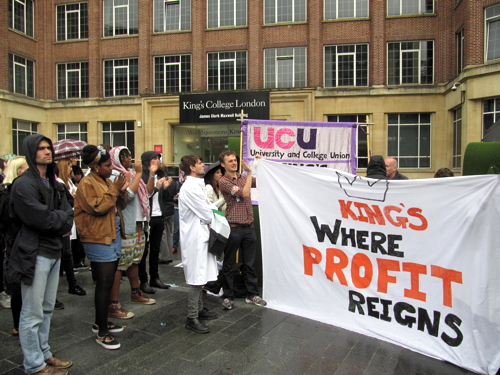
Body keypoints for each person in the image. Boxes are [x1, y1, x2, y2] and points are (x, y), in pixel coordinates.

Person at [8, 134, 74, 375]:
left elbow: (67, 212)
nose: (48, 152)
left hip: (54, 251)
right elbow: (41, 218)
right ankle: (34, 365)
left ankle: (44, 353)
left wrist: (58, 218)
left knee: (46, 308)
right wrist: (59, 219)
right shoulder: (24, 184)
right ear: (31, 152)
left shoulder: (55, 183)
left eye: (49, 148)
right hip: (35, 252)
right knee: (32, 312)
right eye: (41, 149)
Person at [74, 145, 128, 349]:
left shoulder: (105, 180)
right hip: (97, 237)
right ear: (95, 166)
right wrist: (114, 190)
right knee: (104, 283)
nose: (111, 169)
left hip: (110, 235)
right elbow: (97, 208)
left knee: (108, 281)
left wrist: (120, 191)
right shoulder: (87, 183)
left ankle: (101, 321)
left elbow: (117, 205)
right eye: (107, 165)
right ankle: (102, 332)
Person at [108, 146, 155, 320]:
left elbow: (147, 193)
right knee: (121, 265)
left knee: (135, 260)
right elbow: (129, 195)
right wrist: (137, 174)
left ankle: (136, 293)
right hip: (125, 225)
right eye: (124, 156)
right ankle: (113, 303)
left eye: (129, 155)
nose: (129, 158)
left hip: (138, 224)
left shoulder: (129, 173)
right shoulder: (115, 175)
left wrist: (145, 175)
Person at [218, 150, 266, 310]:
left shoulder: (243, 178)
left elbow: (262, 182)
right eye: (230, 161)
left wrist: (260, 164)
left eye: (234, 160)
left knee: (249, 264)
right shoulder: (224, 181)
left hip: (248, 228)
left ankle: (252, 295)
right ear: (223, 165)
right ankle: (228, 296)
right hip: (234, 228)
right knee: (229, 263)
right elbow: (244, 192)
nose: (234, 163)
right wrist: (250, 172)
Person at [178, 155, 219, 333]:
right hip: (195, 237)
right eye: (200, 163)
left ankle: (200, 310)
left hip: (201, 234)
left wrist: (211, 208)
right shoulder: (190, 188)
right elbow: (207, 213)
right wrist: (213, 209)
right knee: (196, 277)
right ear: (192, 168)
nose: (204, 165)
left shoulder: (197, 185)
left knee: (201, 273)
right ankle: (192, 317)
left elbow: (208, 208)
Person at [138, 151, 172, 293]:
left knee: (156, 249)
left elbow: (168, 197)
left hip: (159, 215)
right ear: (147, 161)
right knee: (144, 250)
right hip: (147, 217)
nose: (157, 160)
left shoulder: (160, 174)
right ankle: (143, 280)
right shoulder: (142, 176)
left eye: (158, 158)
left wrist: (167, 186)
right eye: (154, 158)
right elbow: (145, 194)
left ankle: (155, 277)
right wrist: (157, 186)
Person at [2, 156, 28, 334]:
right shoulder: (6, 195)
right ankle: (18, 324)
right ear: (18, 171)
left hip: (28, 245)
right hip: (15, 246)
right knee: (18, 288)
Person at [55, 158, 86, 296]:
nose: (71, 169)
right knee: (64, 253)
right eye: (68, 166)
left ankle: (72, 283)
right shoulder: (60, 182)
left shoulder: (68, 182)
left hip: (70, 218)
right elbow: (68, 199)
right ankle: (70, 283)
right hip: (63, 220)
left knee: (67, 253)